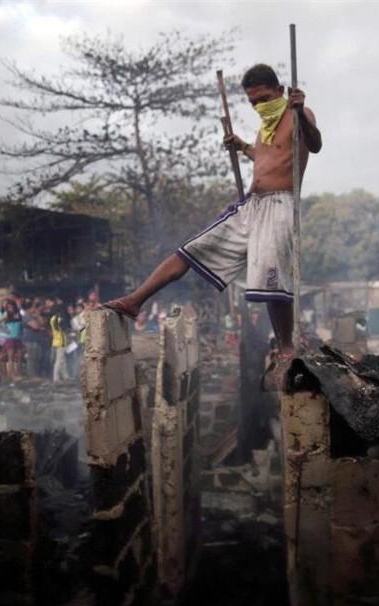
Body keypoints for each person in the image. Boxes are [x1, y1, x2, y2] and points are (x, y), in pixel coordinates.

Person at [102, 63, 322, 380]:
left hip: (281, 205)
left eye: (263, 98)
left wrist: (301, 112)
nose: (259, 106)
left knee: (272, 280)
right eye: (252, 102)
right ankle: (134, 301)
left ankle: (287, 346)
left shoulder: (299, 114)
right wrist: (242, 146)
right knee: (191, 249)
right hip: (251, 205)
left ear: (278, 90)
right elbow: (266, 160)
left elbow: (314, 145)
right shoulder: (265, 127)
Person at [0, 299, 24, 381]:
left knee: (19, 357)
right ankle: (11, 374)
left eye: (10, 306)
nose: (9, 308)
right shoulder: (6, 314)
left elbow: (21, 324)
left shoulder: (19, 313)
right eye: (8, 307)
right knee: (10, 357)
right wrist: (5, 330)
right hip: (10, 337)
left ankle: (18, 373)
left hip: (18, 337)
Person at [50, 305, 69, 383]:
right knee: (59, 361)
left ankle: (65, 376)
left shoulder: (52, 319)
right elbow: (64, 329)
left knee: (62, 360)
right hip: (61, 341)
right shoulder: (60, 319)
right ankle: (56, 377)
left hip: (55, 341)